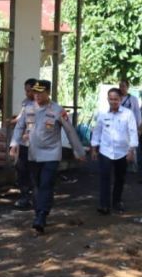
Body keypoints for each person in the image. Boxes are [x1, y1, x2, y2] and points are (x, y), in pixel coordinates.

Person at [9, 80, 86, 234]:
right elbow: (19, 127)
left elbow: (70, 131)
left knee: (46, 183)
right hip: (33, 154)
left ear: (48, 93)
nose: (36, 96)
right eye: (35, 93)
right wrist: (14, 144)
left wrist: (79, 152)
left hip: (51, 154)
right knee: (37, 185)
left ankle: (41, 216)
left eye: (40, 93)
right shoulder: (28, 108)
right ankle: (40, 211)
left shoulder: (58, 110)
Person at [90, 87, 138, 215]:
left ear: (120, 99)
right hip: (105, 151)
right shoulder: (103, 114)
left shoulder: (128, 114)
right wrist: (94, 148)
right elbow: (97, 132)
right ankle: (104, 205)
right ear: (108, 99)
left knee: (120, 178)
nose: (113, 102)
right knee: (104, 177)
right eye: (111, 99)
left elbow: (133, 132)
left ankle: (117, 201)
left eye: (116, 99)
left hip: (123, 152)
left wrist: (131, 150)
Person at [7, 78, 37, 210]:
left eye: (29, 91)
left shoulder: (42, 105)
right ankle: (24, 196)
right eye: (26, 90)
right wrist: (12, 122)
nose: (27, 93)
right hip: (24, 143)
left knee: (33, 172)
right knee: (21, 169)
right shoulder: (26, 103)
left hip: (36, 144)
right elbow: (21, 119)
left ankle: (35, 198)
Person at [119, 79, 142, 172]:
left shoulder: (133, 99)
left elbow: (137, 113)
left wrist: (139, 127)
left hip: (130, 125)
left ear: (127, 87)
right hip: (119, 126)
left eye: (123, 86)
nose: (122, 88)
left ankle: (133, 165)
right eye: (120, 86)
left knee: (132, 146)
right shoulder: (117, 98)